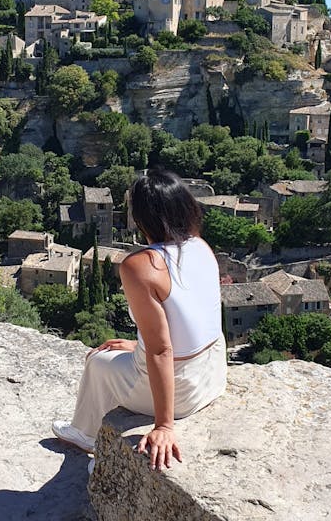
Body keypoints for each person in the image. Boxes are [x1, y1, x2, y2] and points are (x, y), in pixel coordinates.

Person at [52, 169, 226, 471]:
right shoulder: (201, 247)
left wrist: (164, 426)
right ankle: (95, 437)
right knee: (120, 354)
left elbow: (161, 351)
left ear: (140, 217)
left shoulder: (140, 266)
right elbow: (189, 319)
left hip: (182, 390)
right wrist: (137, 344)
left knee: (97, 363)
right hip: (212, 375)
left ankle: (87, 437)